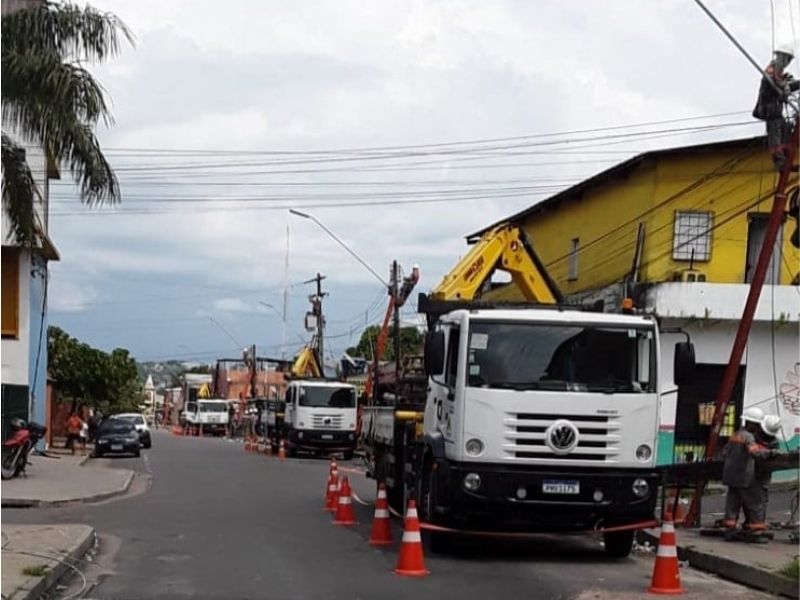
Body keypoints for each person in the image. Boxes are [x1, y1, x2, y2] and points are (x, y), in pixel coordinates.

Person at [721, 407, 778, 533]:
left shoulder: (735, 435)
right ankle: (756, 528)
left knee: (732, 503)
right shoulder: (749, 438)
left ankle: (729, 525)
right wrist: (771, 453)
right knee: (755, 501)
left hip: (730, 476)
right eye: (757, 425)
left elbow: (725, 452)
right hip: (744, 476)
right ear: (751, 423)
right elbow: (755, 454)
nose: (758, 428)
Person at [752, 43, 799, 171]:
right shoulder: (771, 71)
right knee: (775, 137)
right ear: (779, 57)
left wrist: (791, 85)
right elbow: (774, 83)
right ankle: (780, 164)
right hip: (769, 110)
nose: (786, 62)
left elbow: (786, 85)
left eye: (788, 59)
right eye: (785, 58)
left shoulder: (780, 74)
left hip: (776, 111)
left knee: (786, 129)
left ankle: (786, 160)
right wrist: (785, 87)